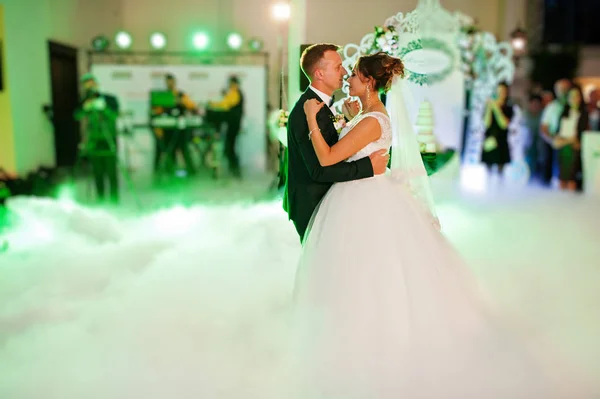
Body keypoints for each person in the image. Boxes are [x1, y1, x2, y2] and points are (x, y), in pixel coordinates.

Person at [288, 52, 592, 398]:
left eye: (354, 74)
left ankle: (370, 348)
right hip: (364, 197)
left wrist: (314, 119)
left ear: (369, 82)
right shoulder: (368, 115)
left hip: (363, 201)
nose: (348, 79)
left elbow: (327, 158)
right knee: (367, 273)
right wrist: (347, 122)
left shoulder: (372, 120)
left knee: (369, 275)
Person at [284, 43, 390, 242]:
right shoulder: (306, 112)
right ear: (320, 74)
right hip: (313, 203)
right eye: (337, 67)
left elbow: (338, 147)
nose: (343, 72)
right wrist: (368, 166)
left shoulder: (322, 106)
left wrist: (349, 124)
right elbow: (318, 170)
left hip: (336, 202)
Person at [74, 73, 120, 204]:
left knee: (112, 175)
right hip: (94, 141)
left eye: (91, 83)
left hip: (108, 139)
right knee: (97, 175)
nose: (90, 87)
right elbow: (77, 115)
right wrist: (86, 107)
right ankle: (101, 202)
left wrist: (104, 108)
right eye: (86, 85)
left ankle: (114, 202)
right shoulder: (85, 100)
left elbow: (114, 116)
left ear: (96, 84)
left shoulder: (110, 99)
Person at [208, 76, 245, 178]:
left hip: (233, 125)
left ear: (235, 84)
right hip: (231, 125)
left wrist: (213, 105)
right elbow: (226, 103)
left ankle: (235, 170)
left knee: (230, 147)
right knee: (229, 147)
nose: (230, 86)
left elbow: (226, 104)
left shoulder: (236, 93)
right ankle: (233, 170)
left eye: (231, 84)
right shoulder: (233, 93)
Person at [554, 85, 589, 191]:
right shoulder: (563, 114)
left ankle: (570, 182)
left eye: (576, 96)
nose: (574, 98)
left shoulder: (583, 115)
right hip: (563, 145)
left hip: (575, 147)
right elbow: (558, 133)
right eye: (571, 96)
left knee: (570, 158)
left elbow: (580, 137)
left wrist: (571, 141)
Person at [481, 82, 513, 177]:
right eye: (498, 91)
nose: (500, 93)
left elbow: (504, 124)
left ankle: (500, 189)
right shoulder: (489, 105)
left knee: (501, 173)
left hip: (502, 141)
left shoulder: (509, 107)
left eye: (503, 91)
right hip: (489, 141)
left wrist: (496, 107)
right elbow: (486, 123)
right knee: (488, 173)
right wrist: (489, 107)